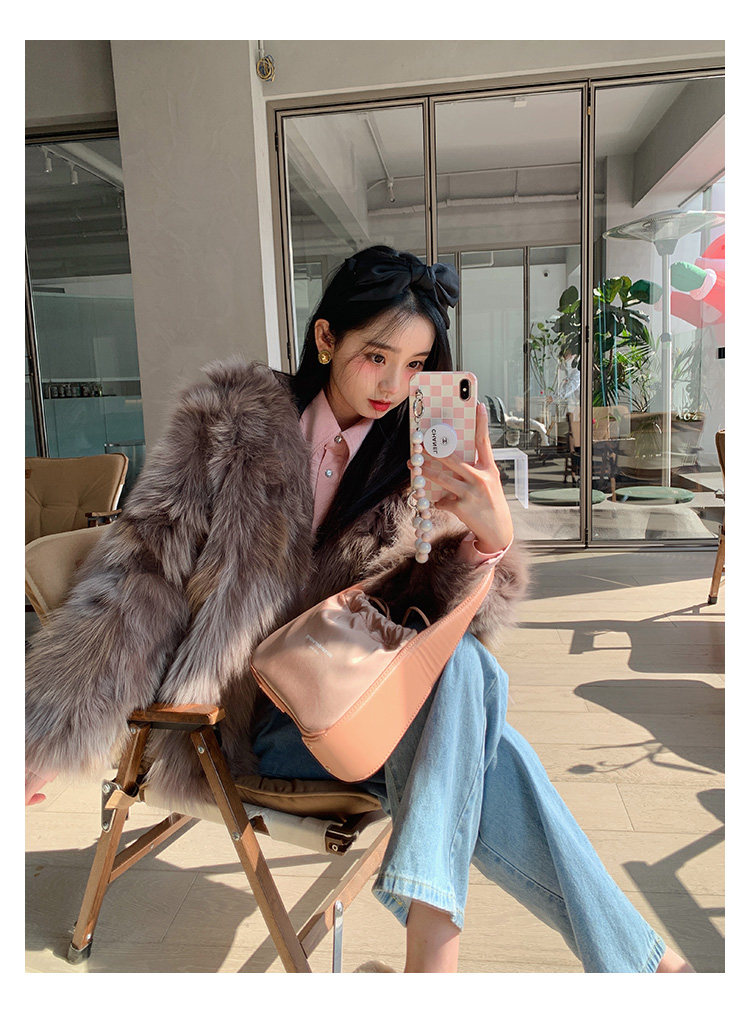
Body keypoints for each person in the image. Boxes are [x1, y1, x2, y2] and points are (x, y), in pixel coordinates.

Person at [25, 246, 692, 973]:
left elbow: (437, 627)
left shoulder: (416, 461)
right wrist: (39, 740)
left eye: (416, 365)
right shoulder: (228, 426)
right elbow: (140, 576)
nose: (394, 386)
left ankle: (443, 957)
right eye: (376, 357)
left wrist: (487, 542)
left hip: (362, 708)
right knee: (477, 726)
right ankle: (620, 968)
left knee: (464, 672)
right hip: (246, 723)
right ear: (325, 338)